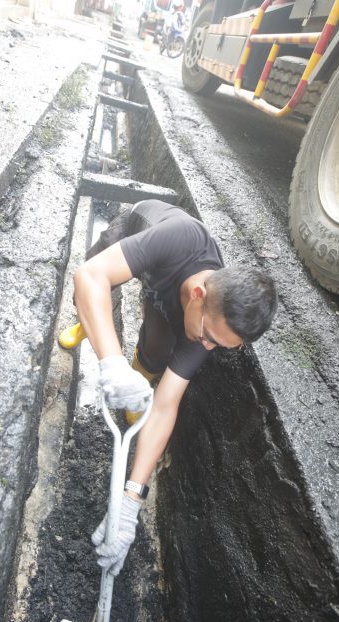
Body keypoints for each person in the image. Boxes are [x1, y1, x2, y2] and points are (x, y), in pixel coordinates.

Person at [58, 199, 277, 578]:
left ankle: (124, 368)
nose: (206, 347)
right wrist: (110, 361)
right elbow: (90, 275)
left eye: (217, 345)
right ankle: (88, 324)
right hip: (133, 234)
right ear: (198, 295)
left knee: (156, 351)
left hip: (160, 295)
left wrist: (131, 500)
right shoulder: (181, 239)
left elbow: (165, 405)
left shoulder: (207, 329)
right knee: (96, 287)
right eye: (208, 336)